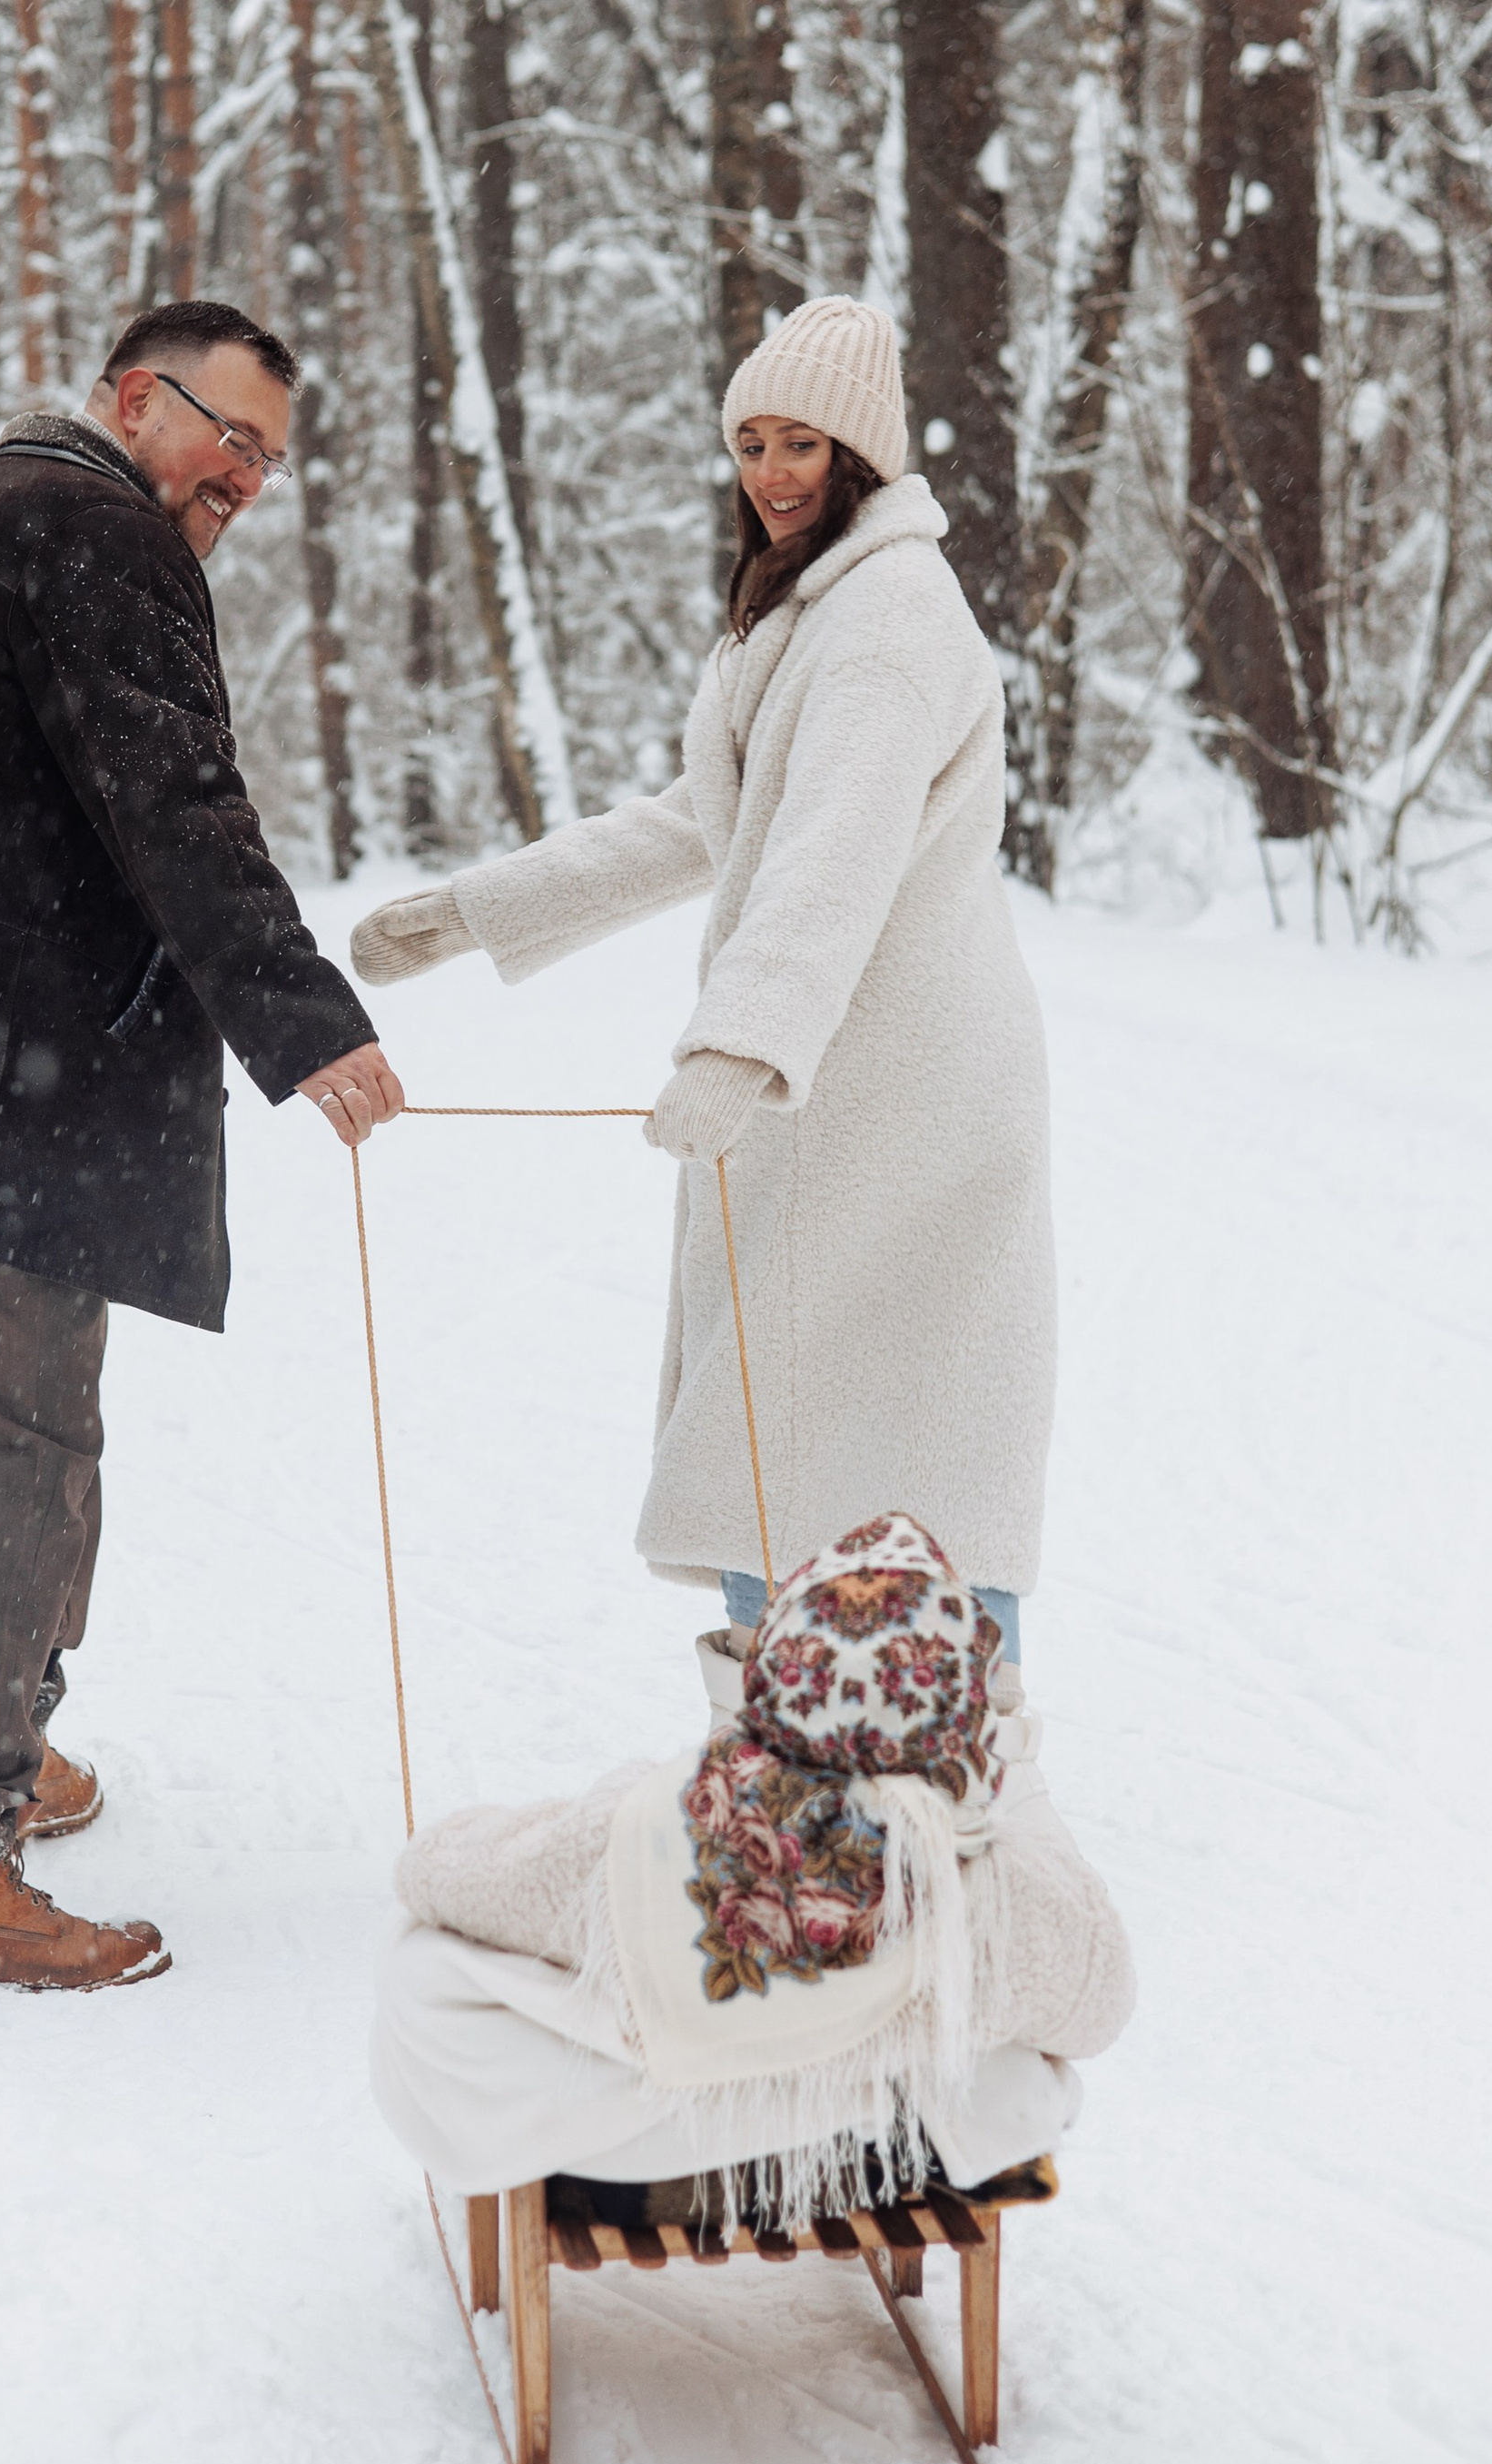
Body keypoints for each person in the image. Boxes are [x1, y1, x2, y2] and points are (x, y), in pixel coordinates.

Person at [0, 300, 404, 1993]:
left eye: (271, 456)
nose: (248, 479)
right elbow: (177, 799)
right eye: (229, 435)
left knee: (35, 1415)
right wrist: (306, 1018)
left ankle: (6, 1742)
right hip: (1, 1070)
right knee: (22, 1438)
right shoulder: (85, 529)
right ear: (136, 400)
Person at [352, 294, 1055, 1656]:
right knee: (799, 1441)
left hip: (900, 1096)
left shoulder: (892, 618)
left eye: (805, 444)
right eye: (751, 443)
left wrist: (738, 1045)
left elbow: (835, 854)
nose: (775, 474)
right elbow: (710, 818)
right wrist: (473, 913)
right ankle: (803, 1767)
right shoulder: (808, 612)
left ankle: (947, 1778)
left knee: (887, 1452)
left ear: (865, 455)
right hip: (832, 1084)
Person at [371, 1515, 1133, 2218]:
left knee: (423, 1972)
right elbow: (1101, 2005)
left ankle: (683, 2157)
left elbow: (439, 1875)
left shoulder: (653, 1821)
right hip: (888, 2130)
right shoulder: (1002, 1883)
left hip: (649, 2127)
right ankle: (841, 2132)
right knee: (1017, 2066)